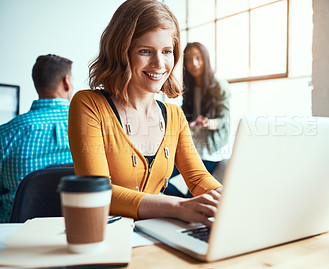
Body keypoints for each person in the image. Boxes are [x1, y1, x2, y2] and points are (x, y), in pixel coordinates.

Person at [68, 0, 222, 227]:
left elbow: (198, 178)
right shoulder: (89, 105)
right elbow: (98, 192)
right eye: (145, 51)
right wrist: (179, 207)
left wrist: (229, 201)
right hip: (105, 237)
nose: (159, 63)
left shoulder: (175, 116)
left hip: (155, 236)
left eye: (167, 51)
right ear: (121, 53)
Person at [0, 54, 74, 222]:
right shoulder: (91, 126)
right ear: (66, 82)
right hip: (74, 226)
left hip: (13, 234)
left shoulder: (7, 133)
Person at [164, 42, 230, 198]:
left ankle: (185, 205)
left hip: (210, 151)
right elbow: (184, 116)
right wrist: (189, 124)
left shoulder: (218, 85)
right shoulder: (189, 86)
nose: (194, 63)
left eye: (198, 58)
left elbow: (224, 120)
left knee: (193, 195)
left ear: (205, 60)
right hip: (190, 146)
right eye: (189, 59)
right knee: (161, 180)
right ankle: (184, 204)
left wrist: (209, 123)